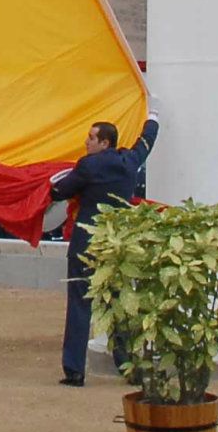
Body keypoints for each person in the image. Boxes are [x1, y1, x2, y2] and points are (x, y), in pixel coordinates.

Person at [47, 114, 160, 386]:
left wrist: (51, 185)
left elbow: (60, 191)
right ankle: (128, 365)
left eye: (91, 137)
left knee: (79, 304)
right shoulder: (130, 161)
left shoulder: (89, 165)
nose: (86, 142)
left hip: (87, 242)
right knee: (118, 304)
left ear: (104, 143)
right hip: (116, 245)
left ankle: (75, 371)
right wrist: (152, 118)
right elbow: (147, 142)